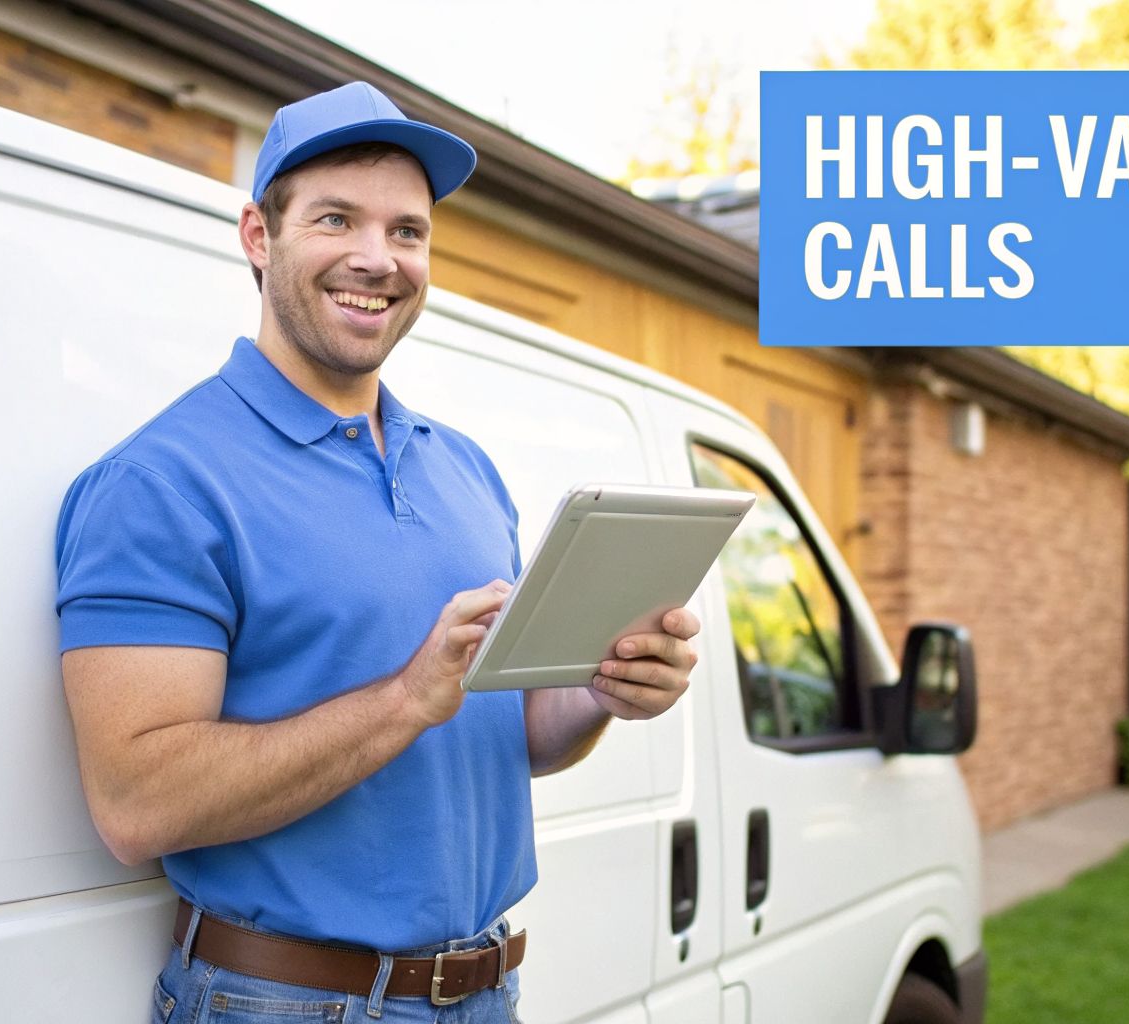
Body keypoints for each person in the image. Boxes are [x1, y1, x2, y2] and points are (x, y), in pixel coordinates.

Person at [53, 81, 701, 1023]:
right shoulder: (162, 484)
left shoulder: (463, 470)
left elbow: (511, 737)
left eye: (408, 231)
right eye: (336, 219)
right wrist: (403, 701)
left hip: (485, 993)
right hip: (284, 1004)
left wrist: (601, 690)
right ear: (258, 237)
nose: (377, 258)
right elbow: (136, 803)